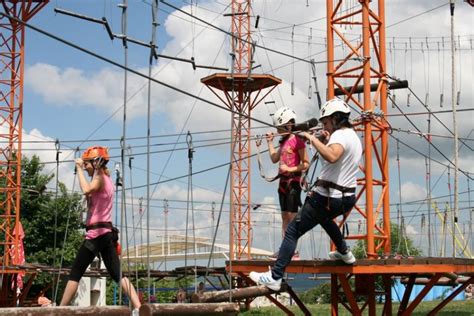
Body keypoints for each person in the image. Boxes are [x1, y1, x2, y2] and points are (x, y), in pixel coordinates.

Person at [250, 98, 362, 291]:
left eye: (326, 122)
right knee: (325, 220)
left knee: (292, 230)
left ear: (335, 119)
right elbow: (336, 160)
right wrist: (324, 140)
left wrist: (312, 138)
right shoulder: (353, 137)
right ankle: (345, 252)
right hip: (347, 198)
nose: (324, 126)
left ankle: (275, 276)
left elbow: (332, 156)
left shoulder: (340, 137)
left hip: (327, 197)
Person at [60, 146, 141, 312]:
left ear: (96, 163)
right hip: (106, 234)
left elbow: (87, 189)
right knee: (118, 274)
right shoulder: (107, 180)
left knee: (76, 272)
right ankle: (139, 307)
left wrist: (78, 169)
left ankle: (60, 309)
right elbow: (92, 200)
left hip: (96, 235)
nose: (86, 167)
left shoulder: (100, 178)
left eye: (87, 164)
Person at [266, 107, 309, 260]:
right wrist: (270, 142)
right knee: (284, 216)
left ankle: (293, 251)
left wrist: (289, 168)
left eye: (280, 127)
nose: (278, 130)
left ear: (288, 125)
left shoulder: (298, 141)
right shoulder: (283, 142)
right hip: (283, 183)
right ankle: (285, 248)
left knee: (292, 216)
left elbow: (306, 164)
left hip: (293, 182)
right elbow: (273, 158)